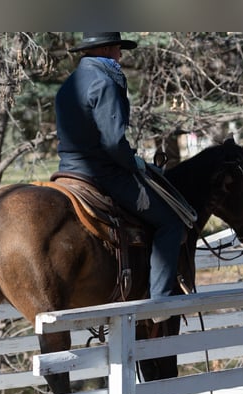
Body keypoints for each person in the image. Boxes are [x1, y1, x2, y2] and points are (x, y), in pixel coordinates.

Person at [55, 32, 185, 318]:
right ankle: (161, 302)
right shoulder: (104, 81)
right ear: (104, 48)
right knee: (171, 222)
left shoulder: (67, 85)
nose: (121, 55)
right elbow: (113, 142)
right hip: (103, 173)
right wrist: (133, 163)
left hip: (67, 171)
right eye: (117, 48)